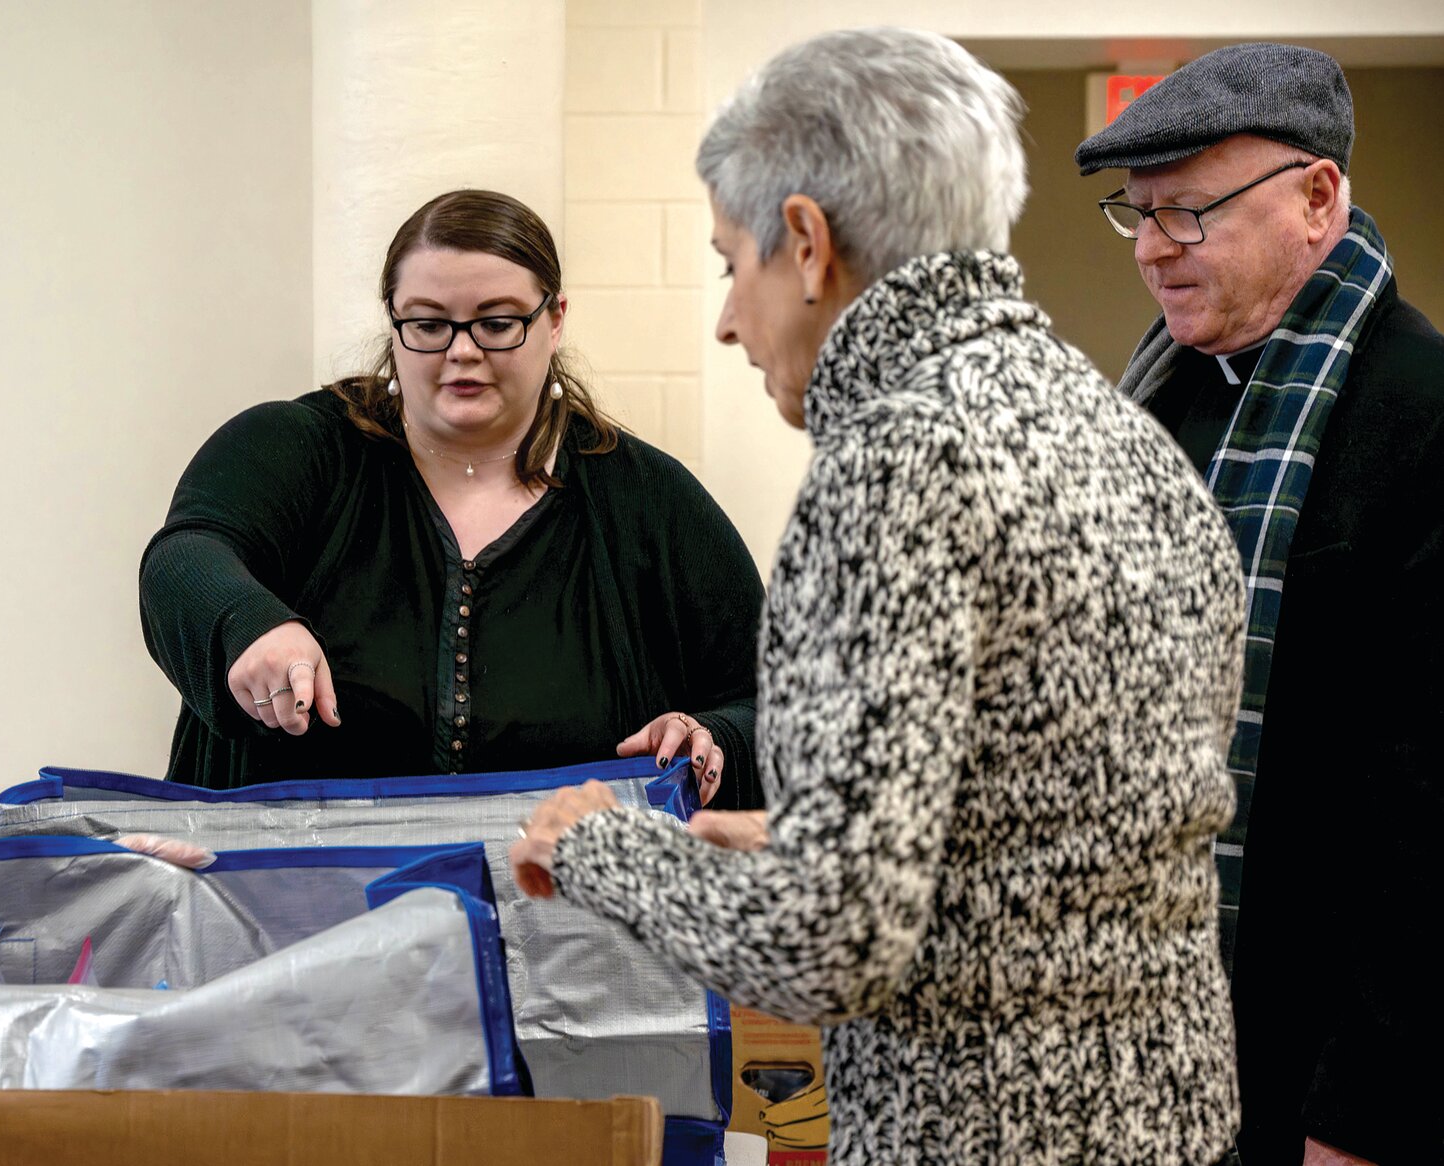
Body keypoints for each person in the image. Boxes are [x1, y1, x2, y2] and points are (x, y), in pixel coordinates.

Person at [511, 28, 1244, 1166]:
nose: (723, 318)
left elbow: (829, 943)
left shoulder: (891, 464)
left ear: (805, 242)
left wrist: (604, 847)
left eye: (726, 262)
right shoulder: (1128, 437)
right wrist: (818, 833)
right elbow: (1067, 835)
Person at [1076, 43, 1444, 1166]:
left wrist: (1365, 1109)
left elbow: (1427, 809)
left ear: (1318, 196)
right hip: (1138, 1047)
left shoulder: (1420, 414)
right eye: (1135, 215)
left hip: (1324, 1072)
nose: (1150, 251)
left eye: (1187, 213)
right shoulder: (1152, 405)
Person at [140, 189, 765, 808]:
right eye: (429, 324)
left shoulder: (650, 503)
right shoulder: (297, 449)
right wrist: (249, 622)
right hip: (280, 902)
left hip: (554, 904)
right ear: (394, 321)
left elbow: (772, 703)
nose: (462, 351)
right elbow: (186, 555)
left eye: (497, 323)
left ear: (555, 320)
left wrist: (715, 739)